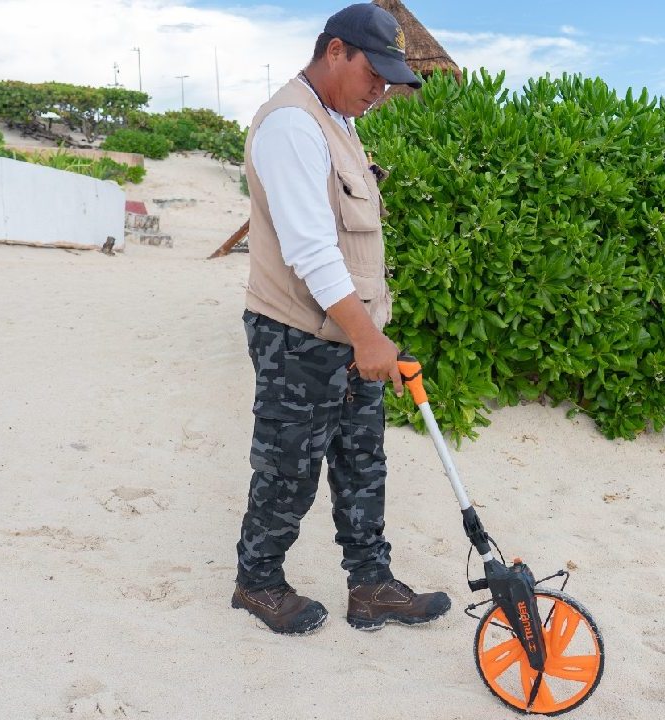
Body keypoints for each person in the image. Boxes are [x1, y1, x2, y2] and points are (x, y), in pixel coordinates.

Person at [231, 3, 451, 635]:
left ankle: (372, 586)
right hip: (298, 336)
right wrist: (367, 335)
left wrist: (367, 335)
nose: (381, 91)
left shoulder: (340, 120)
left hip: (349, 334)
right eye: (373, 75)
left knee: (362, 462)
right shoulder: (290, 126)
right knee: (288, 466)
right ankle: (258, 583)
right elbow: (309, 250)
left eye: (389, 80)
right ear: (335, 52)